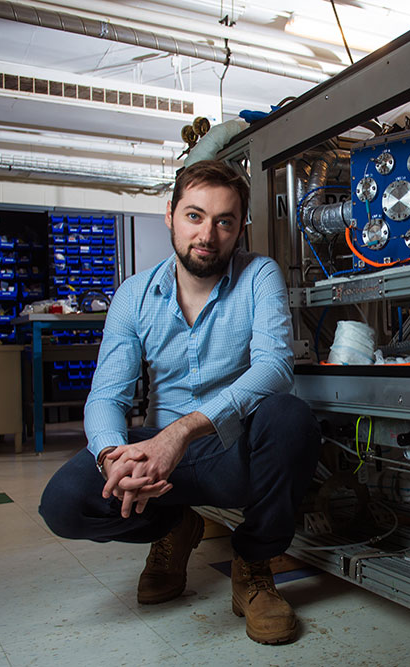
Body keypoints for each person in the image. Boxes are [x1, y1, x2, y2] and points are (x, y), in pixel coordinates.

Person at [39, 160, 321, 646]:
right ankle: (171, 525)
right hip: (156, 461)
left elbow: (275, 367)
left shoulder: (258, 275)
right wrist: (113, 457)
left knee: (290, 416)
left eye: (224, 221)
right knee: (63, 505)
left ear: (240, 229)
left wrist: (181, 432)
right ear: (168, 215)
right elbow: (107, 395)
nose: (207, 234)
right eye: (194, 216)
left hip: (227, 449)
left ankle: (253, 565)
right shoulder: (133, 295)